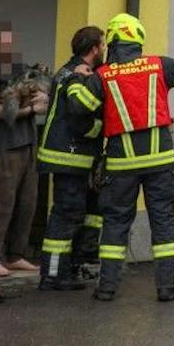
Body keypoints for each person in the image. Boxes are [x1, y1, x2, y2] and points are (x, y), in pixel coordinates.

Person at [68, 13, 174, 302]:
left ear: (112, 40)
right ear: (138, 38)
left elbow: (79, 106)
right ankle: (167, 288)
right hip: (159, 163)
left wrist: (77, 79)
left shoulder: (104, 75)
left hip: (121, 165)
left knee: (114, 224)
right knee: (163, 222)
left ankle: (107, 288)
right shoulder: (159, 66)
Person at [0, 22, 48, 280]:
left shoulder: (23, 71)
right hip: (3, 146)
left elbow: (42, 95)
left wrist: (39, 100)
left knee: (28, 202)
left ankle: (17, 255)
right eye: (4, 43)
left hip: (28, 143)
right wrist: (30, 108)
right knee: (2, 202)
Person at [36, 25, 106, 291]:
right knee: (67, 214)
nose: (105, 49)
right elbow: (78, 118)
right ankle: (54, 274)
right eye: (103, 45)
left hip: (67, 155)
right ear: (93, 49)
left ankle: (68, 267)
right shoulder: (81, 75)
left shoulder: (68, 70)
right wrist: (101, 131)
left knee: (76, 212)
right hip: (70, 155)